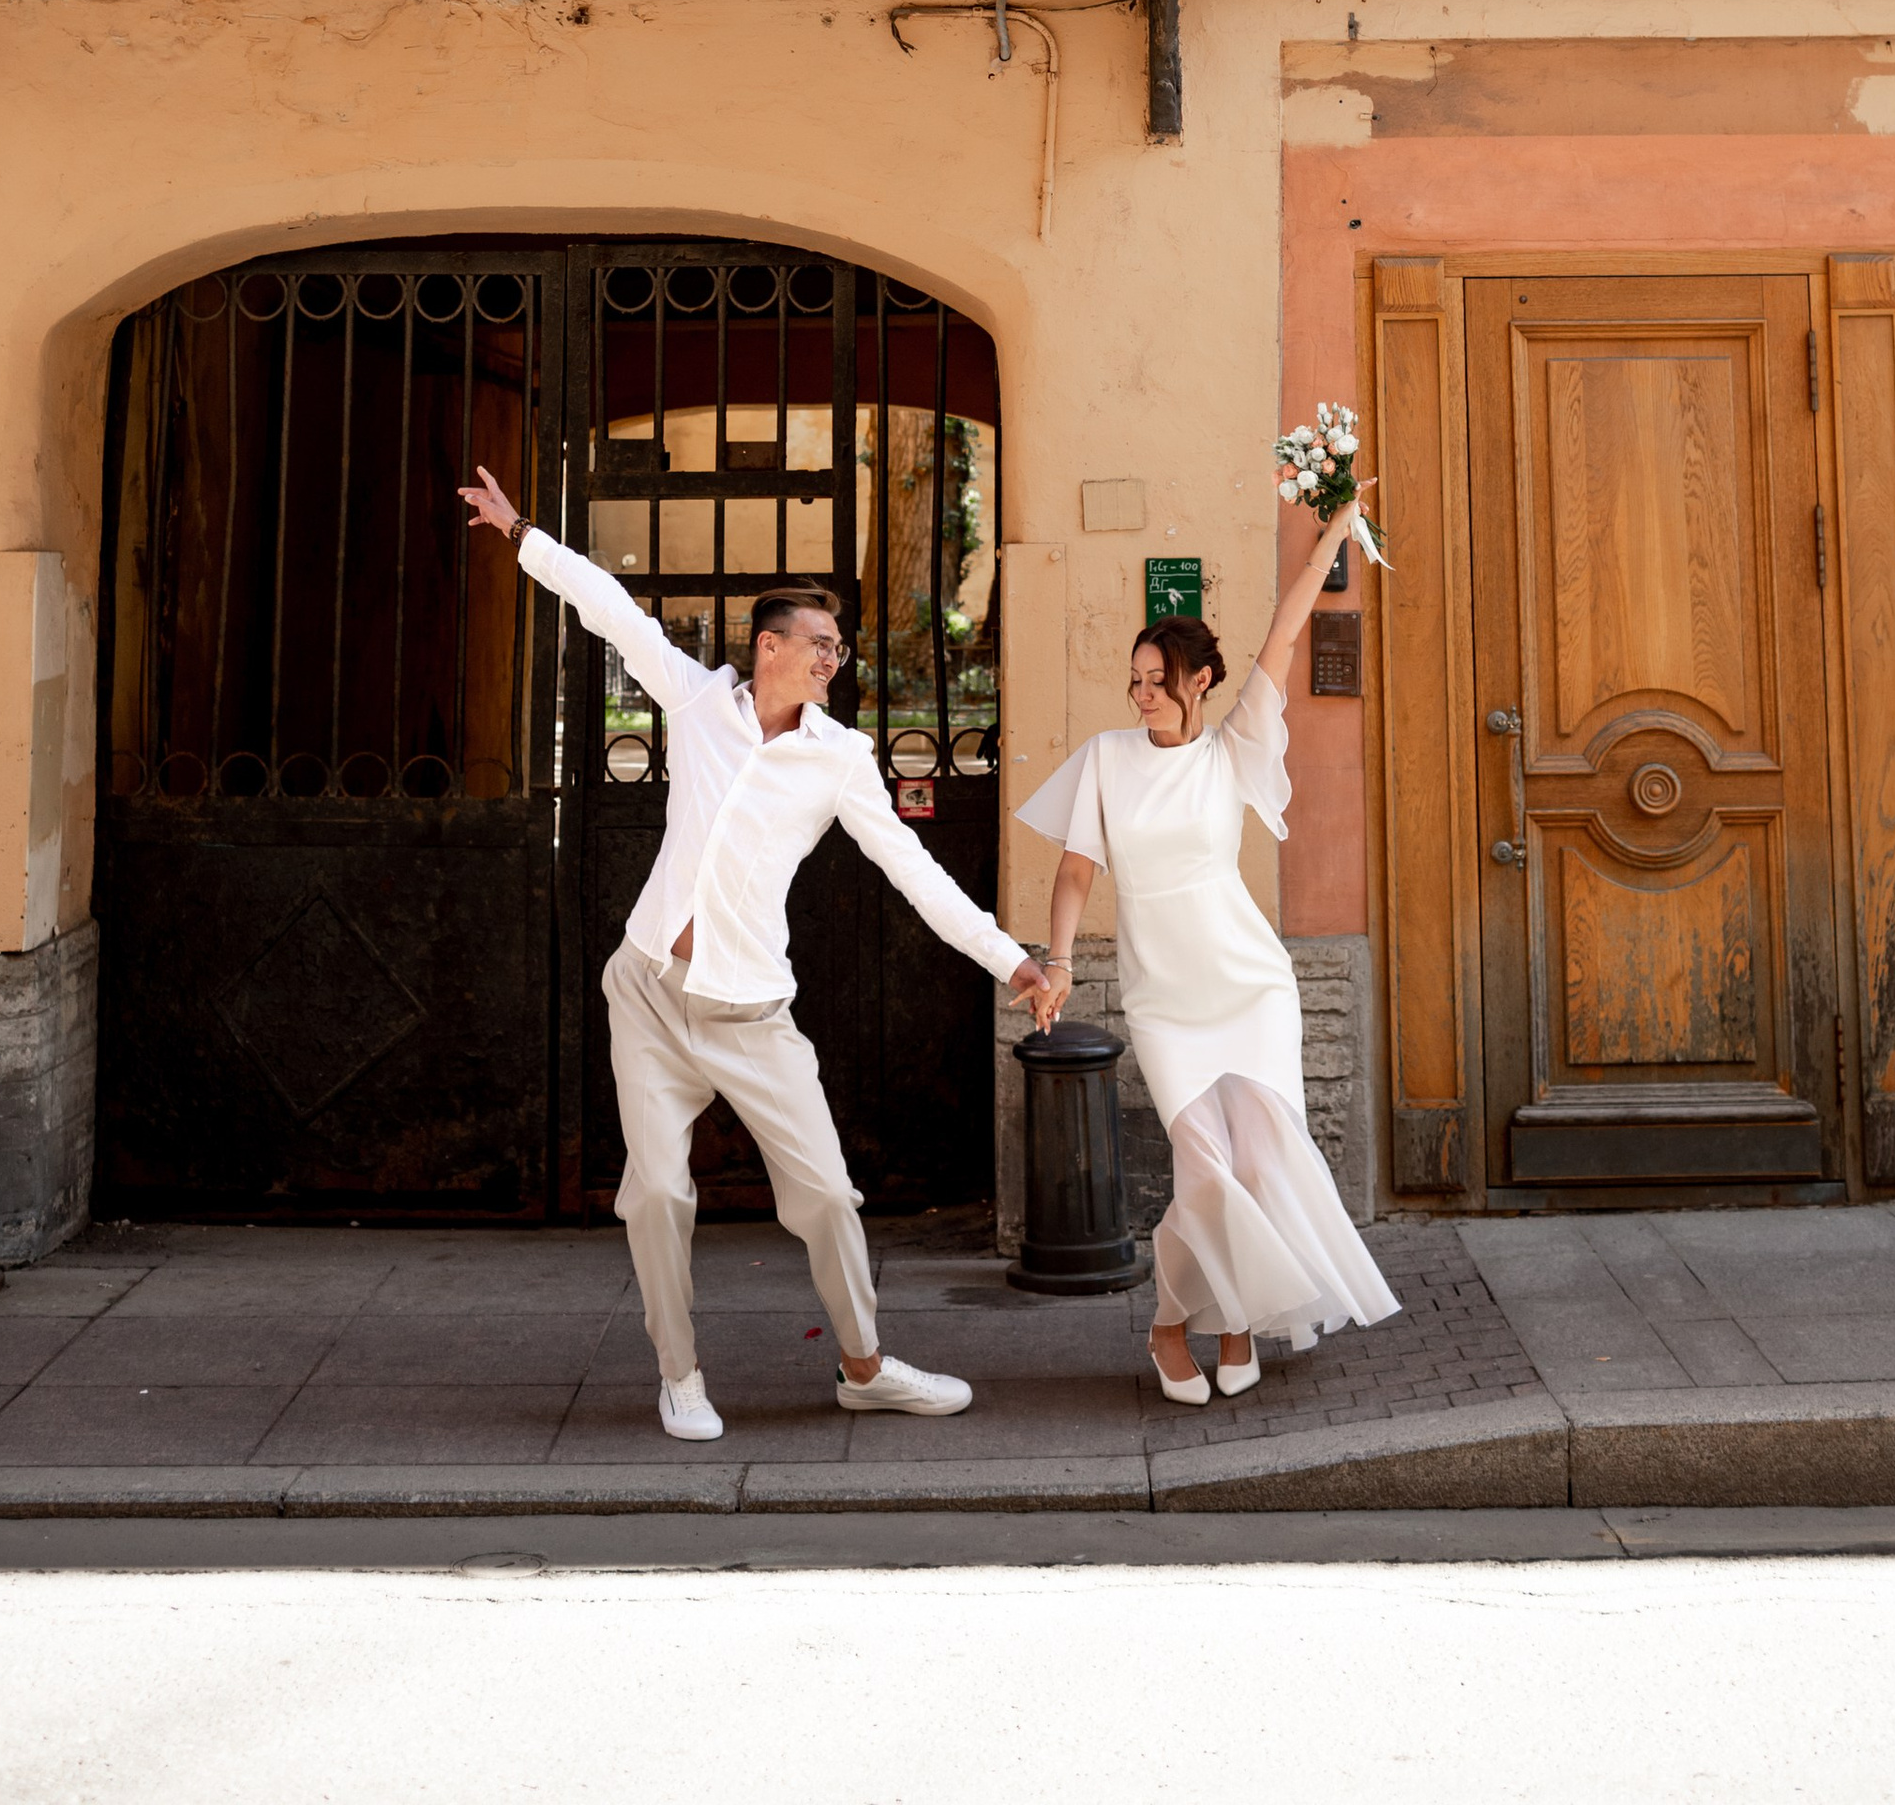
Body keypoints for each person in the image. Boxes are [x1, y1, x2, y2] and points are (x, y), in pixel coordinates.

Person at [463, 465, 1059, 1442]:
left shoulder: (836, 761)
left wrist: (1013, 961)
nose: (836, 657)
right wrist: (521, 531)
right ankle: (678, 1375)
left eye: (840, 645)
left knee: (824, 1193)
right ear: (769, 648)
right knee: (656, 1192)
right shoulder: (696, 704)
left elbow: (914, 871)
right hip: (650, 991)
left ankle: (866, 1368)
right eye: (821, 643)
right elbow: (611, 610)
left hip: (747, 1010)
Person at [1015, 506, 1400, 1402]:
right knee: (1206, 1169)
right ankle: (1165, 1326)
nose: (1142, 692)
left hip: (1249, 986)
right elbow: (1075, 873)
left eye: (1159, 678)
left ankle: (1233, 1326)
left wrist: (1330, 540)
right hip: (1166, 1001)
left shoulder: (1233, 750)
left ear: (1200, 681)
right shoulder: (1106, 760)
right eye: (1137, 679)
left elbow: (1285, 633)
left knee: (1261, 1163)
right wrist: (1062, 962)